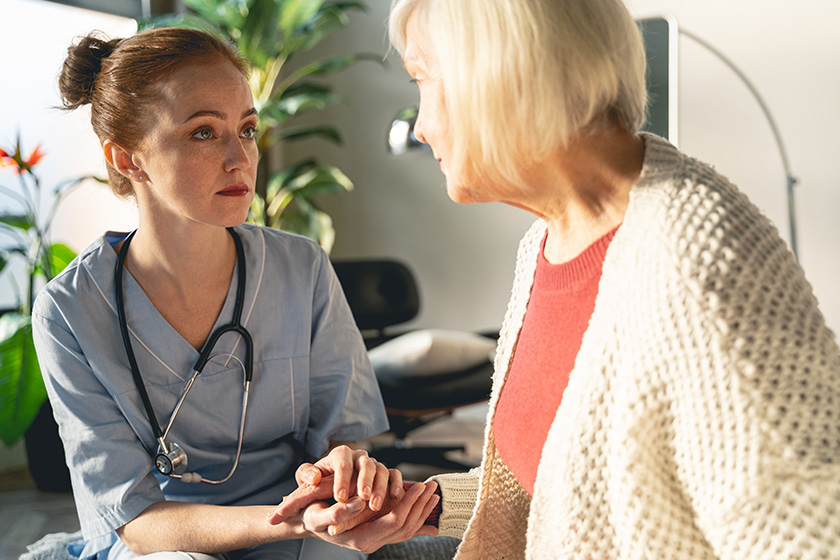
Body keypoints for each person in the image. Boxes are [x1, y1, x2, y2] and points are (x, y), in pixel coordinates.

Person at [271, 0, 840, 558]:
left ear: (502, 76)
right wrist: (422, 502)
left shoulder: (697, 263)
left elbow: (810, 535)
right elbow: (553, 483)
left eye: (423, 80)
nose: (420, 128)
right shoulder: (548, 240)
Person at [33, 26, 439, 560]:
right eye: (203, 132)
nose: (239, 158)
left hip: (304, 522)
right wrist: (288, 524)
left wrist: (343, 472)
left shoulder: (301, 267)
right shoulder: (69, 311)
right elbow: (135, 520)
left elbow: (343, 439)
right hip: (172, 541)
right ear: (127, 158)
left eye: (246, 129)